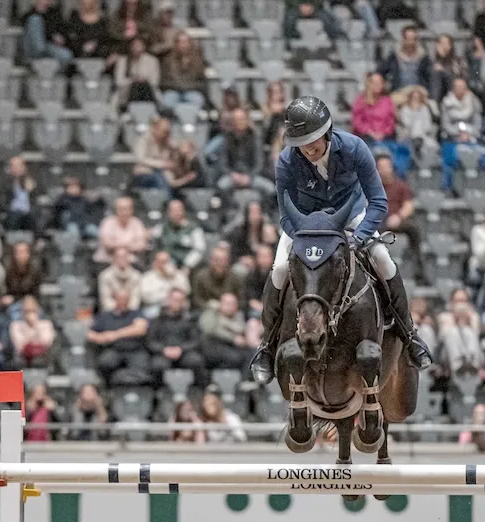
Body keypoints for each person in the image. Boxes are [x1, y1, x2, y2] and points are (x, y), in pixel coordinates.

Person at [249, 95, 433, 384]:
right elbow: (285, 214)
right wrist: (305, 239)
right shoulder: (286, 160)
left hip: (351, 217)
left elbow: (378, 202)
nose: (307, 149)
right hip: (305, 224)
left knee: (383, 260)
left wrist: (359, 239)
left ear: (328, 132)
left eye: (313, 140)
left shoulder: (354, 148)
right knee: (282, 268)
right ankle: (266, 346)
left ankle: (410, 335)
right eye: (301, 142)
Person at [89, 288, 151, 386]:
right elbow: (91, 333)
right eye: (120, 298)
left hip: (134, 350)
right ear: (115, 298)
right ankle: (109, 390)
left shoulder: (136, 313)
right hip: (114, 349)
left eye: (125, 298)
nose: (123, 301)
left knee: (142, 368)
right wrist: (100, 337)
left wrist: (115, 335)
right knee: (105, 363)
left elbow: (140, 328)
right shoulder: (105, 316)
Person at [147, 287, 204, 383]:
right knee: (158, 365)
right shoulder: (157, 320)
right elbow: (150, 341)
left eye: (180, 300)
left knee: (195, 361)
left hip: (184, 352)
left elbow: (196, 340)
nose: (177, 303)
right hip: (163, 352)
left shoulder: (189, 320)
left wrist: (181, 349)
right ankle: (157, 394)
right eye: (175, 300)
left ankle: (196, 392)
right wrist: (163, 349)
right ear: (168, 300)